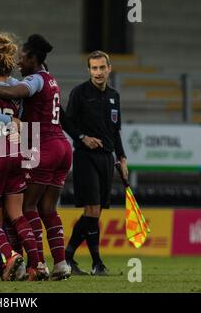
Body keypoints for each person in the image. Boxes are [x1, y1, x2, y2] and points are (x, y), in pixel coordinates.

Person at [0, 34, 73, 281]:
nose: (19, 61)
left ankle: (36, 264)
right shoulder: (50, 79)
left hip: (34, 148)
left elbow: (17, 89)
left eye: (23, 57)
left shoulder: (28, 82)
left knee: (14, 211)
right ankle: (60, 263)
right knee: (46, 209)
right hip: (58, 145)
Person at [63, 50, 128, 276]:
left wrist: (122, 158)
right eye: (94, 68)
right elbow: (67, 122)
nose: (98, 72)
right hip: (84, 157)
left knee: (95, 213)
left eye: (102, 68)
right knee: (91, 208)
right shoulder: (79, 93)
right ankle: (97, 263)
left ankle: (67, 257)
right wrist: (82, 138)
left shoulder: (114, 96)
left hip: (107, 159)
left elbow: (115, 131)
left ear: (109, 69)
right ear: (89, 70)